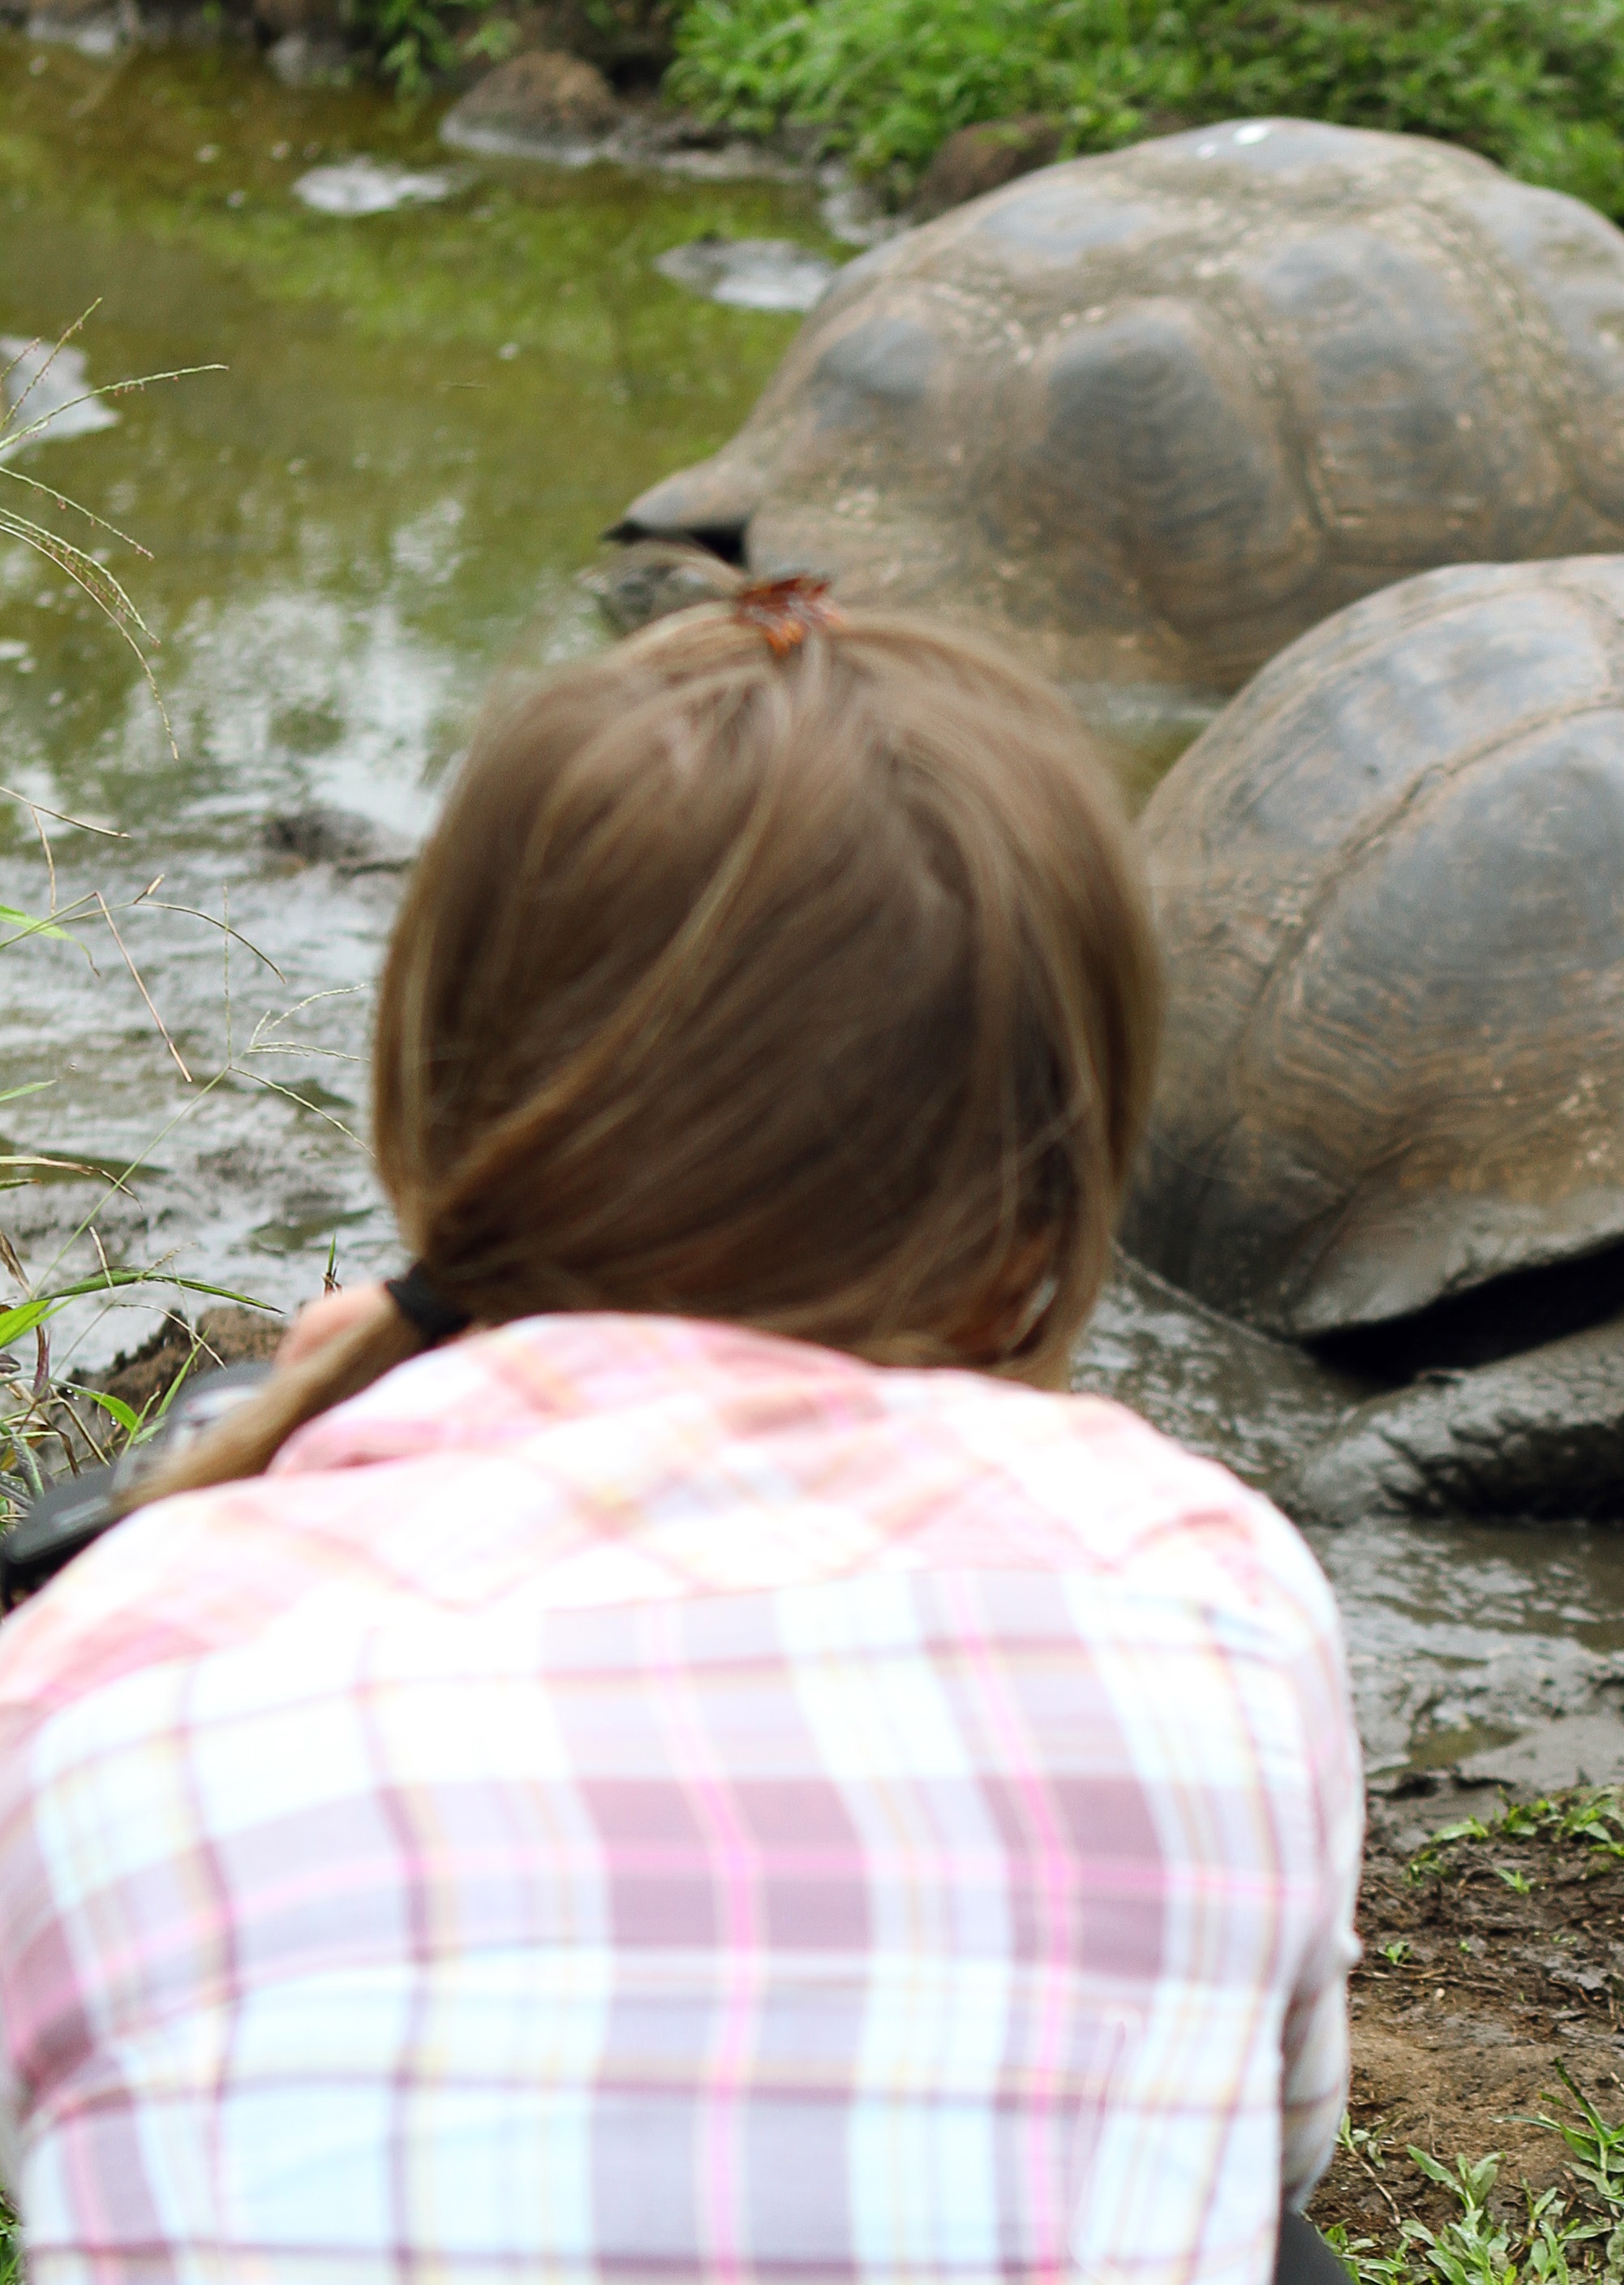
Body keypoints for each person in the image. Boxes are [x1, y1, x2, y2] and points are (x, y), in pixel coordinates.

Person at [0, 584, 1364, 2283]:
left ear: (429, 1111)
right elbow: (1271, 2142)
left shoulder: (94, 1660)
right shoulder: (1204, 1580)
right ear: (1049, 1196)